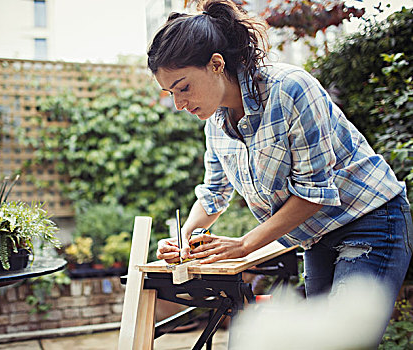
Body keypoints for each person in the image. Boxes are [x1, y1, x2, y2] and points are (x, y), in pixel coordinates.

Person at [149, 0, 412, 343]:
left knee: (346, 341)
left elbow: (315, 194)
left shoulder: (289, 89)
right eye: (171, 93)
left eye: (183, 87)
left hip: (372, 220)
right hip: (317, 237)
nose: (179, 104)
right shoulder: (215, 124)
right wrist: (184, 243)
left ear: (216, 64)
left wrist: (244, 245)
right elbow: (213, 195)